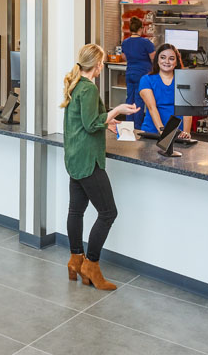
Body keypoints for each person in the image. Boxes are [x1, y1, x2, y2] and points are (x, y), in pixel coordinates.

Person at [61, 44, 138, 291]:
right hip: (88, 160)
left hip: (74, 157)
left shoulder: (77, 86)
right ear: (97, 65)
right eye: (102, 62)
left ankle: (75, 259)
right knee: (108, 213)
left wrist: (108, 121)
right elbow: (91, 123)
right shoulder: (88, 89)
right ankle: (91, 265)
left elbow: (88, 121)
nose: (102, 66)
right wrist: (116, 110)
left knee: (76, 211)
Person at [137, 43, 191, 138]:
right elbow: (152, 108)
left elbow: (187, 110)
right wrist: (163, 131)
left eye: (171, 58)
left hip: (178, 134)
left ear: (177, 62)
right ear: (157, 59)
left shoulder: (184, 81)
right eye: (163, 57)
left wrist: (186, 133)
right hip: (152, 132)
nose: (167, 61)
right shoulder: (146, 80)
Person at [120, 17, 155, 128]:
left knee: (129, 99)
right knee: (139, 100)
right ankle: (137, 127)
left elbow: (123, 56)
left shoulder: (125, 42)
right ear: (142, 28)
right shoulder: (146, 42)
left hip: (130, 73)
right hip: (142, 74)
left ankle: (128, 125)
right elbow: (154, 58)